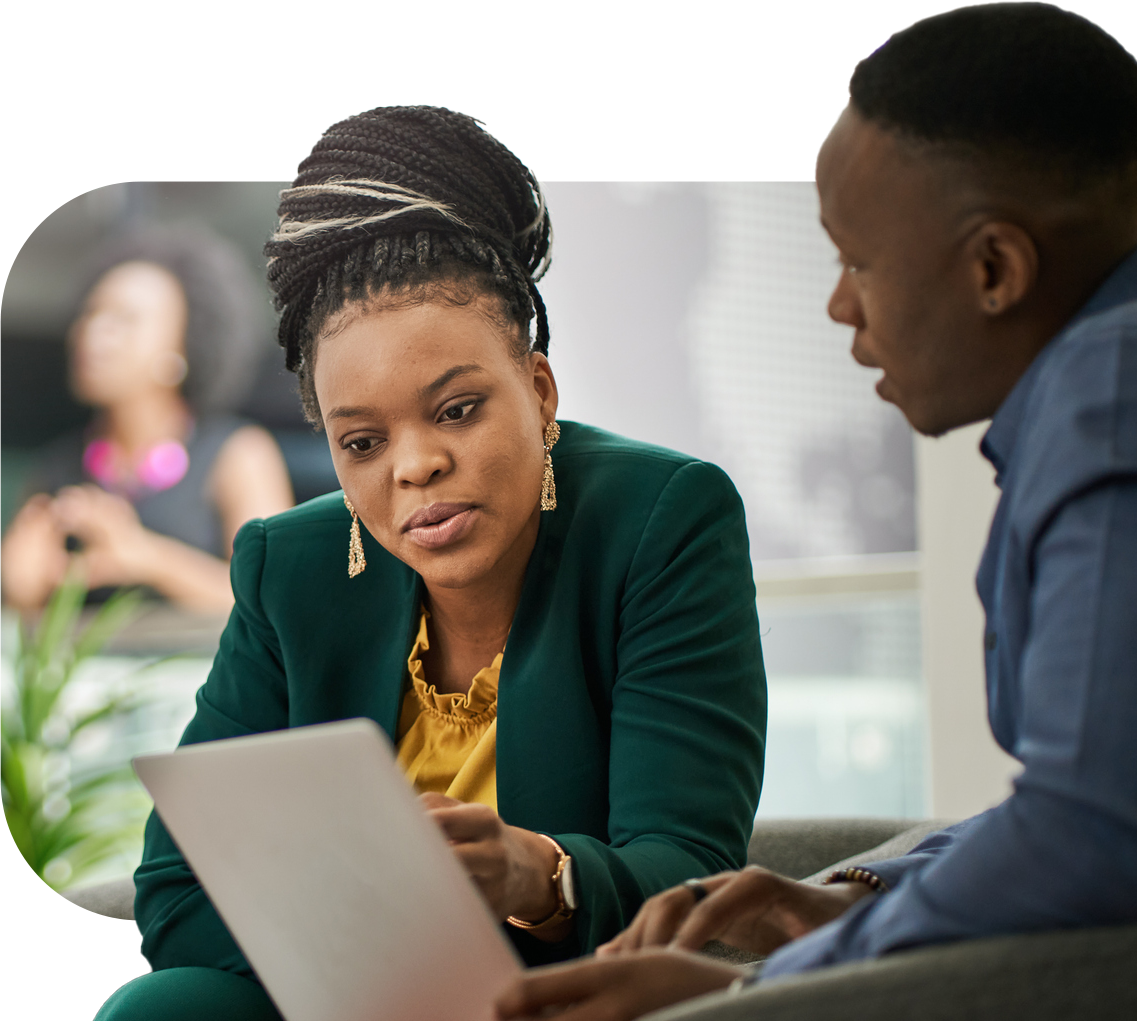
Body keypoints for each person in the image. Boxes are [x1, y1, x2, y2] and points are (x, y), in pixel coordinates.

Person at [494, 4, 1137, 1019]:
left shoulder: (1123, 392)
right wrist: (858, 896)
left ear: (994, 270)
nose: (838, 306)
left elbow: (1105, 833)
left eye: (856, 260)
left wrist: (763, 986)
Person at [95, 106, 768, 1020]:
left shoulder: (660, 518)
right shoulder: (286, 565)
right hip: (353, 1004)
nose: (413, 466)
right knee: (162, 1006)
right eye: (362, 441)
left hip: (569, 993)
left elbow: (687, 877)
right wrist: (390, 973)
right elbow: (176, 893)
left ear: (537, 389)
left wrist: (545, 876)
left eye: (455, 410)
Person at [0, 225, 293, 614]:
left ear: (183, 348)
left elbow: (280, 601)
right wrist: (22, 591)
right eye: (91, 314)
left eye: (124, 319)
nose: (93, 333)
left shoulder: (238, 454)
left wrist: (146, 557)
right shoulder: (55, 471)